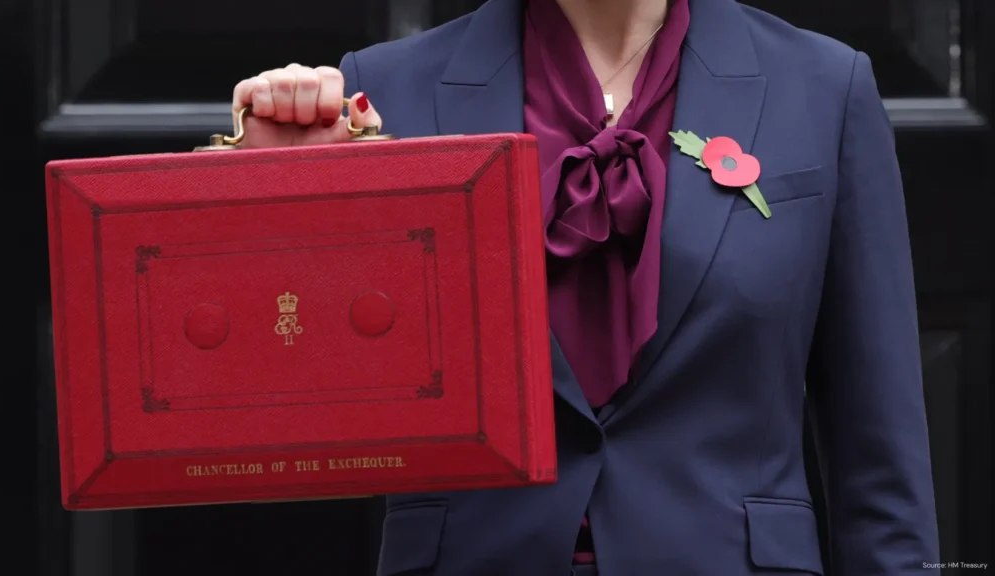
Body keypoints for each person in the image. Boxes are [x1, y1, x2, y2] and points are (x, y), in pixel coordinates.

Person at [231, 0, 940, 574]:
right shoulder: (384, 95)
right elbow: (306, 391)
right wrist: (283, 189)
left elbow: (879, 458)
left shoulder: (823, 87)